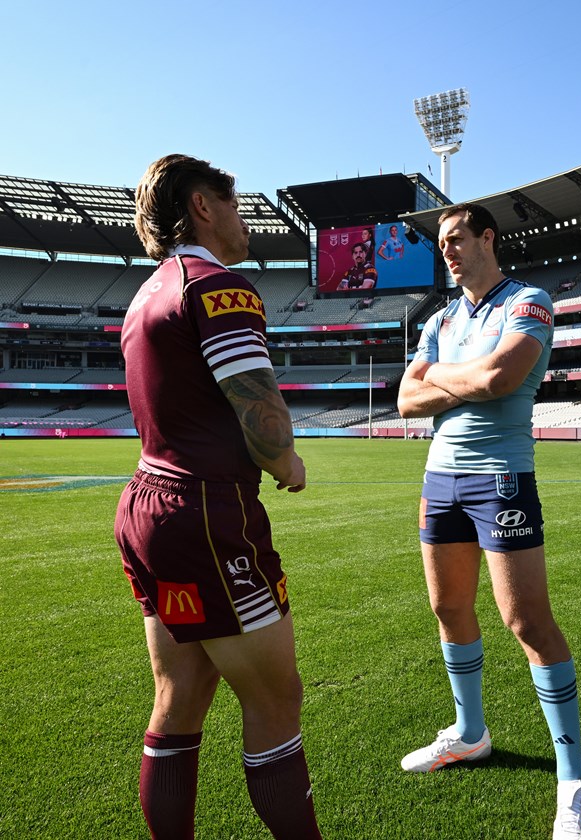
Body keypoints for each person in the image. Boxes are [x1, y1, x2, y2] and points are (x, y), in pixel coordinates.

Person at [114, 154, 322, 840]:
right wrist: (285, 459)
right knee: (275, 700)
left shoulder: (146, 294)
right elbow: (260, 415)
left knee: (181, 696)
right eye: (235, 205)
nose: (243, 219)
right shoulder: (217, 285)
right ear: (203, 205)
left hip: (150, 503)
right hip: (207, 515)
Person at [397, 203, 581, 840]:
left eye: (457, 239)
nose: (447, 250)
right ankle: (470, 733)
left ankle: (573, 781)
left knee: (526, 620)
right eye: (441, 243)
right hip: (439, 478)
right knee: (448, 608)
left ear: (488, 238)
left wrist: (447, 379)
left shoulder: (528, 300)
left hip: (501, 476)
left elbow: (503, 375)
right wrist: (470, 379)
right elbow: (406, 399)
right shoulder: (440, 318)